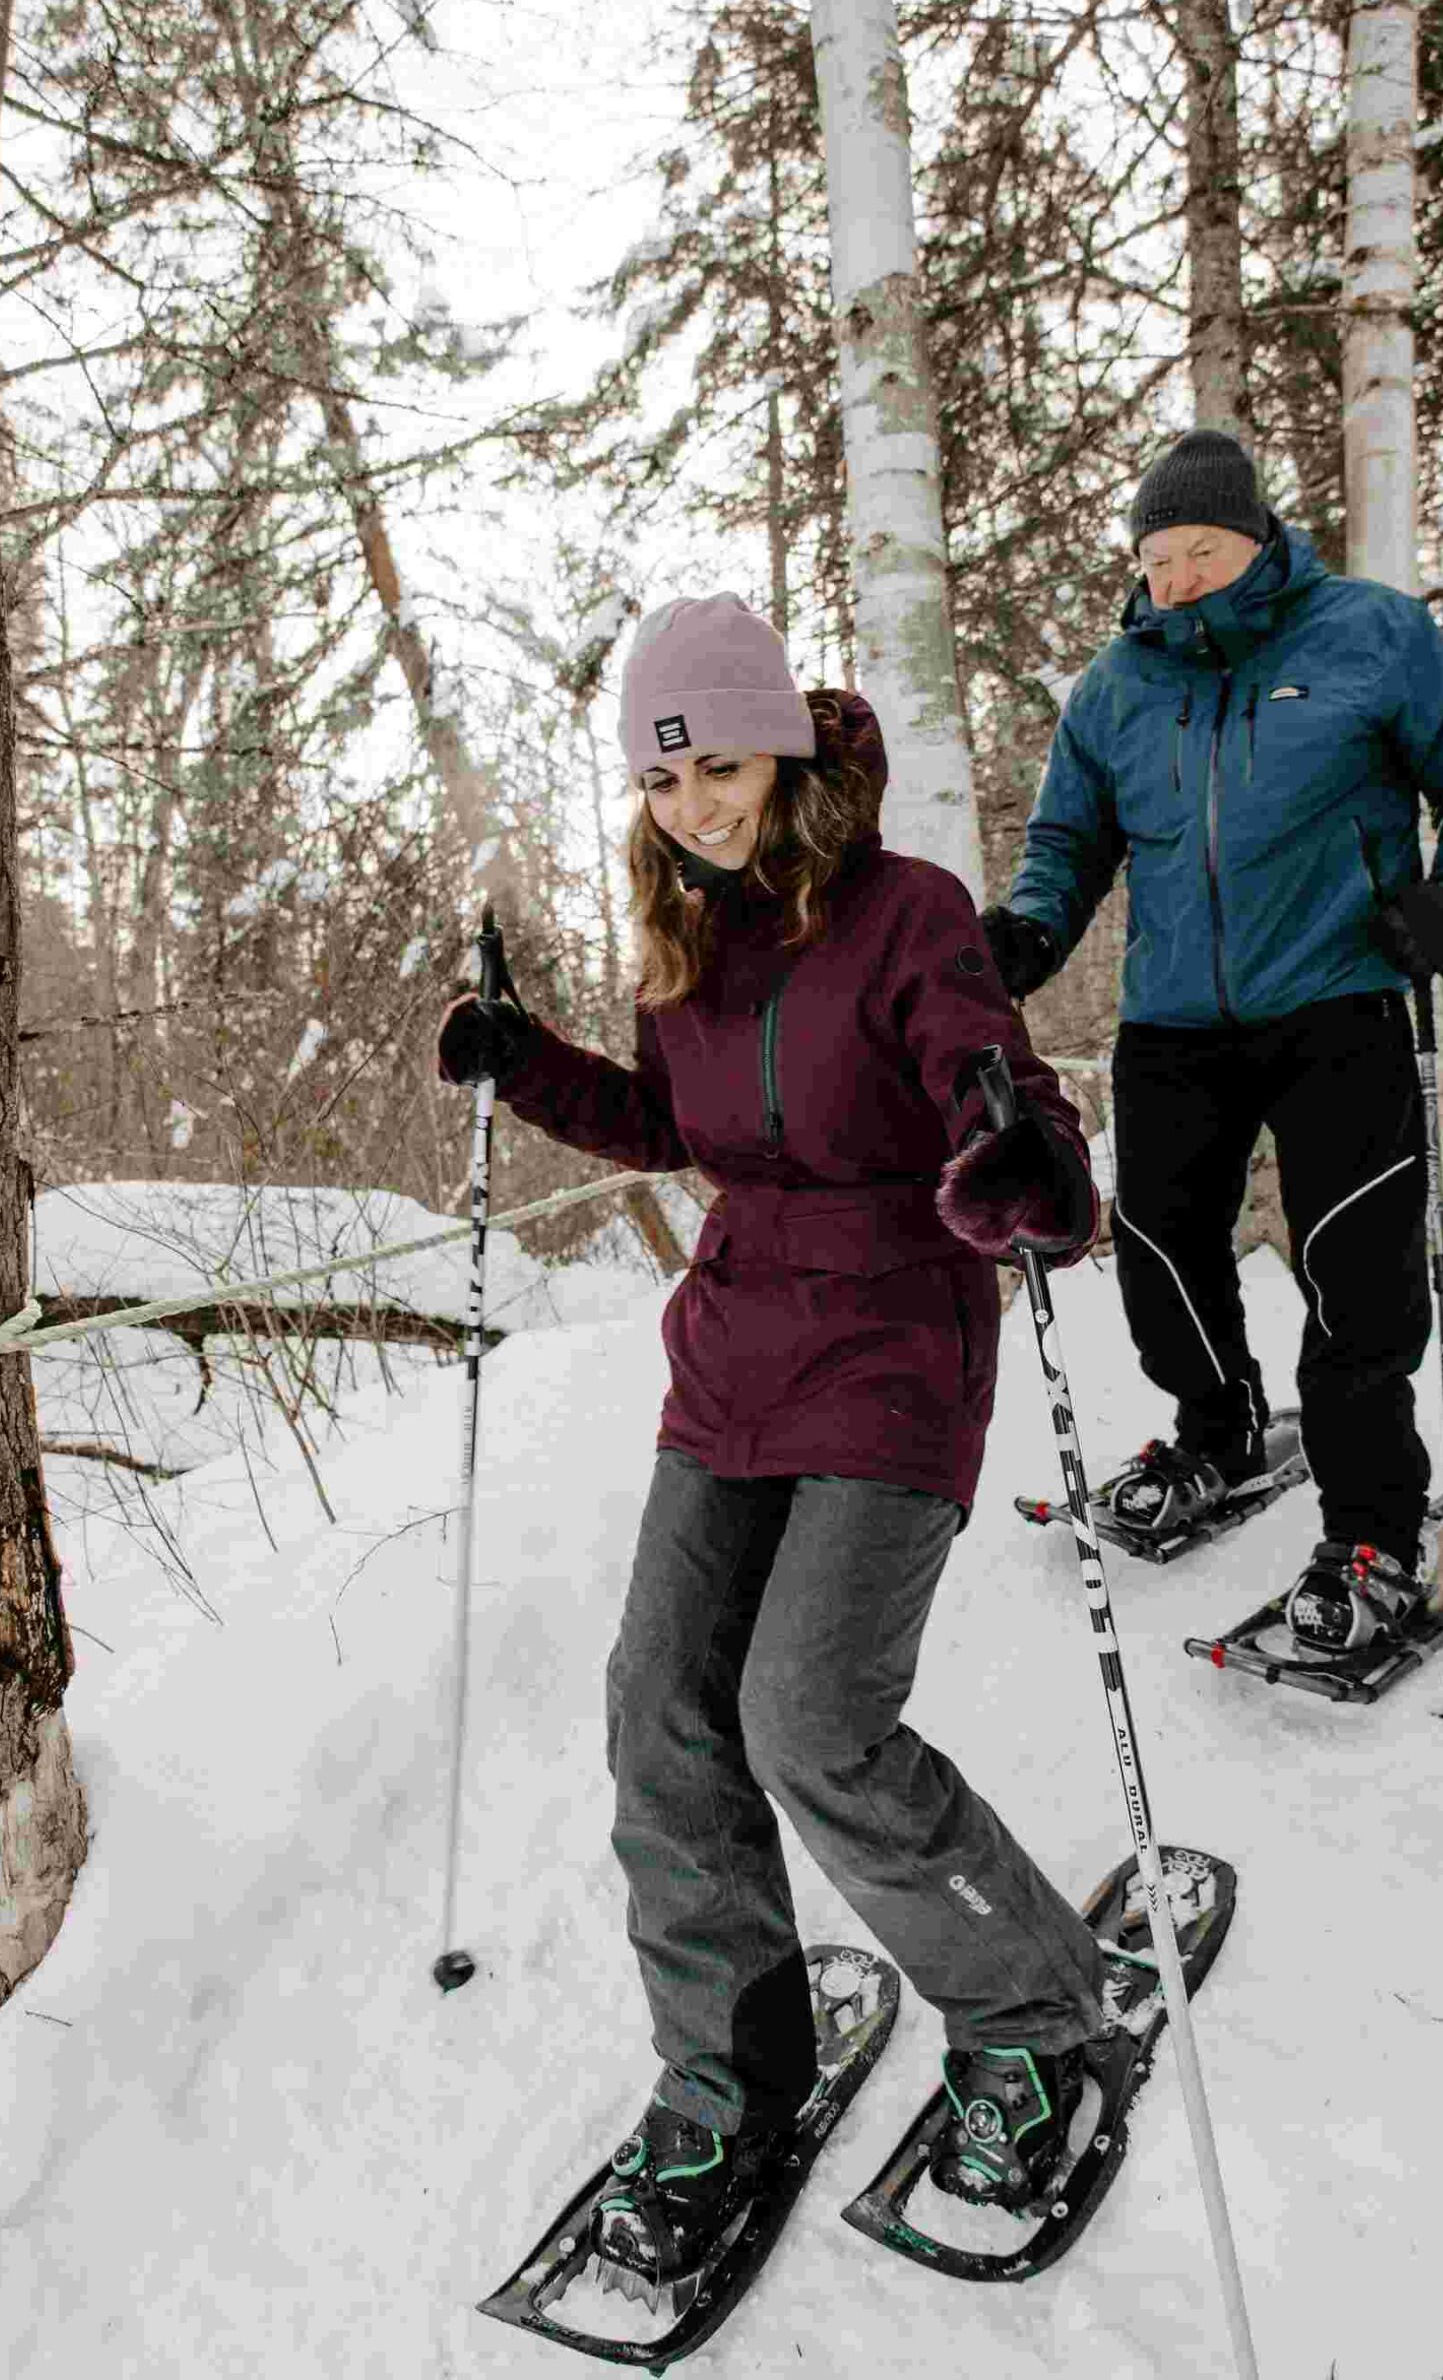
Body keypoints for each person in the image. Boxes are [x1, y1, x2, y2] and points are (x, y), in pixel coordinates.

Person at [436, 593, 1110, 2292]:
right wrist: (526, 1066)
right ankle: (729, 2072)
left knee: (807, 1720)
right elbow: (681, 1124)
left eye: (721, 767)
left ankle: (1031, 2019)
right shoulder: (688, 931)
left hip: (894, 1340)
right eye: (663, 783)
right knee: (658, 1716)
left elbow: (990, 1067)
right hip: (735, 1348)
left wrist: (1020, 1151)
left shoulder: (907, 913)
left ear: (785, 750)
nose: (693, 806)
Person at [982, 428, 1443, 1655]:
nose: (1173, 578)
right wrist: (1028, 930)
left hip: (1339, 997)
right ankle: (1217, 1431)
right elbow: (1071, 843)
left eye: (1199, 550)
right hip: (1174, 1017)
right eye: (1156, 556)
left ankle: (1375, 1529)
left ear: (1258, 537)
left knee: (1354, 1269)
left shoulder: (1368, 634)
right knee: (1161, 1248)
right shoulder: (1117, 686)